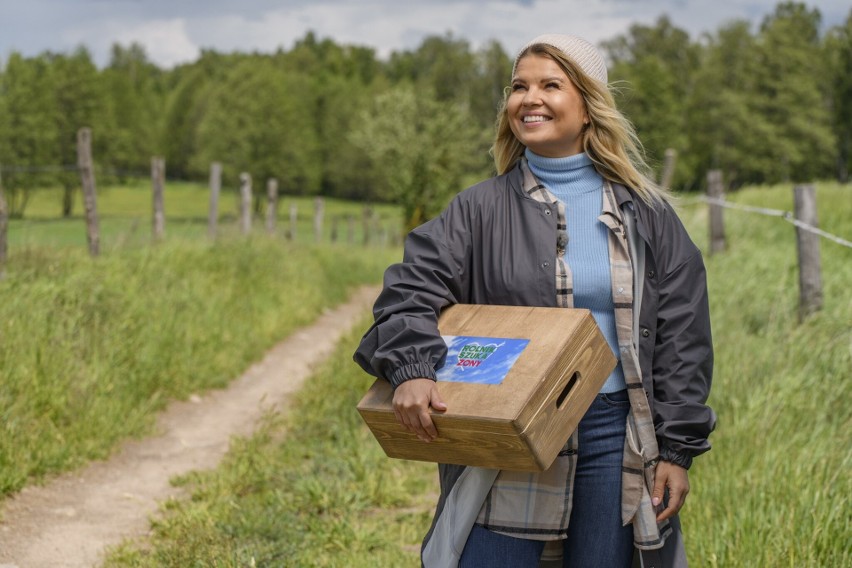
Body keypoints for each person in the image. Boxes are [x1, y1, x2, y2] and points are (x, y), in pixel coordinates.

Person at [354, 33, 715, 568]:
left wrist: (677, 450)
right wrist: (411, 368)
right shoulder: (478, 209)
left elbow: (683, 335)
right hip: (511, 426)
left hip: (614, 435)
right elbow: (409, 289)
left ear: (588, 106)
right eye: (519, 86)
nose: (530, 98)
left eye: (551, 84)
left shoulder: (647, 214)